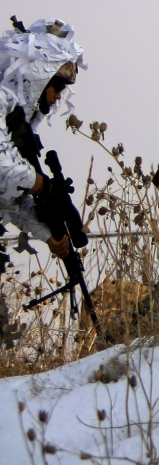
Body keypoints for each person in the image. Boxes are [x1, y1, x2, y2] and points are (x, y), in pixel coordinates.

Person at [0, 18, 85, 336]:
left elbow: (8, 197)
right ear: (37, 76)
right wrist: (38, 183)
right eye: (58, 85)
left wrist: (46, 233)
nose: (59, 97)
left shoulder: (15, 121)